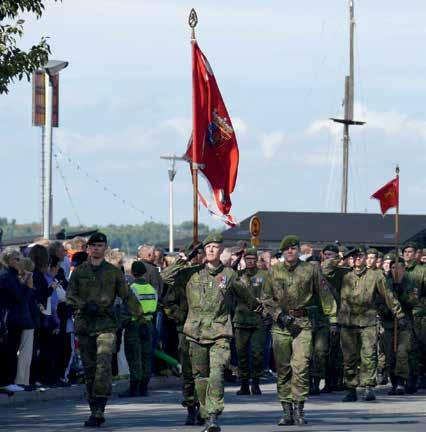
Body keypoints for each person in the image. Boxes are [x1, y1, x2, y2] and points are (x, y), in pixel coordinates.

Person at [163, 233, 260, 432]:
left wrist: (268, 314)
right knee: (200, 377)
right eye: (208, 247)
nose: (211, 250)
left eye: (215, 247)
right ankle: (205, 412)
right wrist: (183, 259)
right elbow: (165, 277)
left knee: (217, 374)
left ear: (221, 250)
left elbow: (248, 297)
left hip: (219, 332)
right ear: (203, 251)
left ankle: (213, 415)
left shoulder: (229, 275)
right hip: (195, 333)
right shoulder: (191, 273)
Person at [66, 232, 144, 427]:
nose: (96, 249)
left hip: (106, 324)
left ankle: (100, 405)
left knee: (103, 365)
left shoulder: (113, 272)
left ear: (105, 248)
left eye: (100, 246)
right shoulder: (79, 272)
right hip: (85, 325)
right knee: (90, 369)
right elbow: (70, 296)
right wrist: (83, 305)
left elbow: (127, 295)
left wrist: (141, 317)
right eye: (93, 246)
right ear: (88, 249)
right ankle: (94, 409)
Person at [261, 235, 337, 426]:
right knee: (284, 368)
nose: (290, 251)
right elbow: (266, 298)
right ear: (282, 251)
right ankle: (286, 410)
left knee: (301, 366)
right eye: (286, 249)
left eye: (293, 248)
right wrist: (278, 315)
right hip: (281, 325)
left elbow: (324, 294)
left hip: (303, 323)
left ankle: (299, 408)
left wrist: (333, 318)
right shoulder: (273, 271)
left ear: (298, 250)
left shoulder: (311, 270)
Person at [323, 245, 406, 402]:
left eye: (360, 256)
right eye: (354, 257)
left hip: (367, 320)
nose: (357, 259)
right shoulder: (343, 274)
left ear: (365, 258)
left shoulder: (375, 275)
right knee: (349, 358)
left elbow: (388, 295)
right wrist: (341, 258)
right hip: (348, 322)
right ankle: (351, 388)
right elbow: (325, 270)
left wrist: (399, 313)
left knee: (369, 355)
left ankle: (368, 387)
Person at [162, 242, 205, 426]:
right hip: (186, 331)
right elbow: (165, 278)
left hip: (207, 330)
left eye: (199, 253)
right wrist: (183, 259)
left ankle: (203, 408)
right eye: (195, 254)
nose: (198, 256)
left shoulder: (213, 273)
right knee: (188, 373)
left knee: (204, 372)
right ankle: (190, 407)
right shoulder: (182, 275)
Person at [377, 257, 417, 395]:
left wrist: (402, 293)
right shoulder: (384, 284)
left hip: (404, 325)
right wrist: (389, 310)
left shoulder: (410, 283)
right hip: (388, 325)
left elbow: (413, 302)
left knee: (402, 353)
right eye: (393, 267)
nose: (396, 270)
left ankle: (401, 381)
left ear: (404, 269)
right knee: (389, 355)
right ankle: (393, 382)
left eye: (399, 267)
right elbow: (379, 303)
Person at [234, 247, 269, 396]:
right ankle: (243, 385)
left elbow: (270, 294)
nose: (249, 261)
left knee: (257, 353)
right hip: (241, 319)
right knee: (241, 353)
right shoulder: (238, 275)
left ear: (256, 260)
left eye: (252, 259)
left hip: (258, 320)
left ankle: (255, 383)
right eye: (247, 259)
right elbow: (228, 272)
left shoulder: (264, 275)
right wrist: (236, 259)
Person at [119, 261, 157, 397]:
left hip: (134, 325)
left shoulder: (131, 288)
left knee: (134, 356)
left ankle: (134, 388)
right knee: (146, 355)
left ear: (132, 273)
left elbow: (127, 308)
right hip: (148, 325)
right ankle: (144, 388)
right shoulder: (152, 289)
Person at [402, 242, 426, 391]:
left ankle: (419, 376)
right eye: (405, 251)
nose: (407, 254)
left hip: (420, 313)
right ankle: (407, 377)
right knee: (405, 348)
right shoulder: (398, 269)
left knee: (419, 346)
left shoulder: (422, 271)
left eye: (410, 251)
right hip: (402, 314)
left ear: (416, 254)